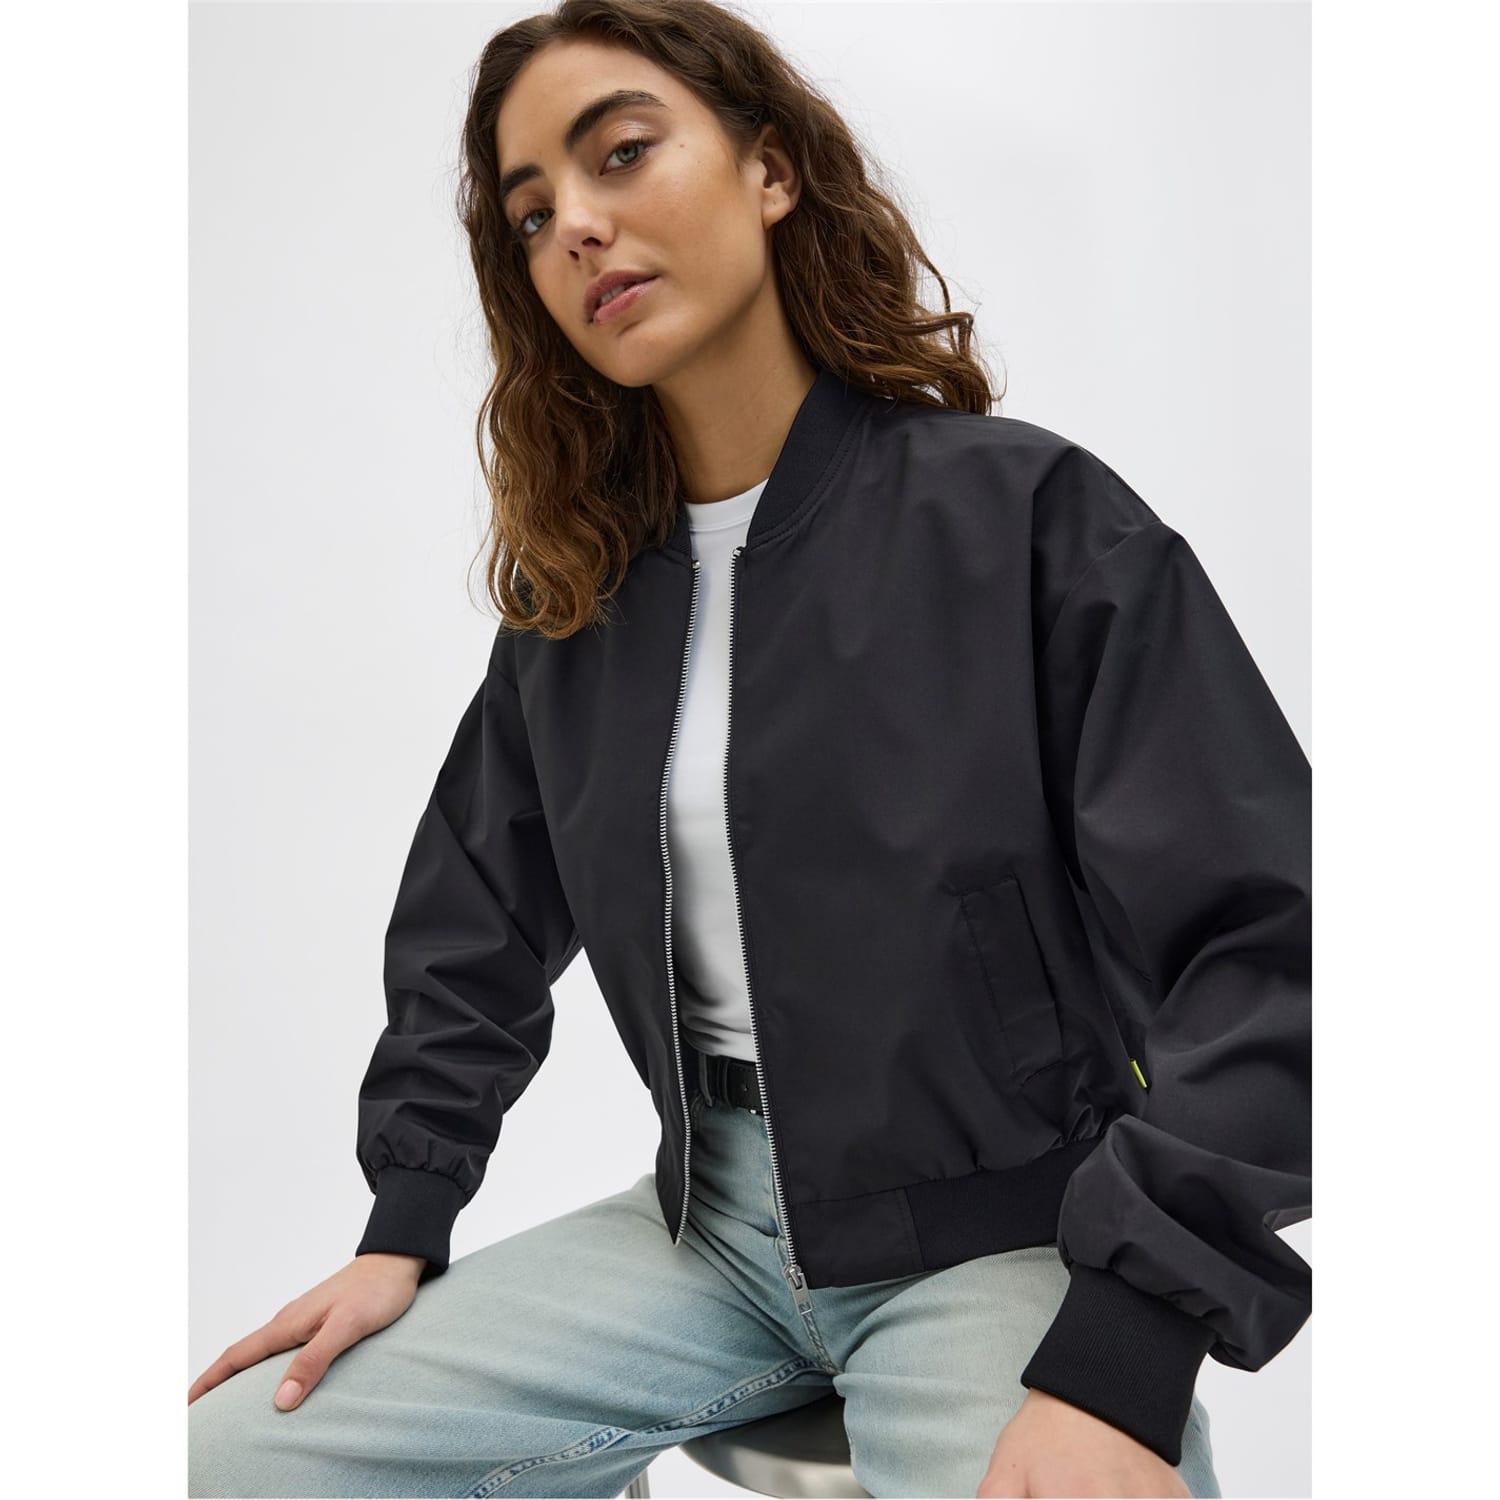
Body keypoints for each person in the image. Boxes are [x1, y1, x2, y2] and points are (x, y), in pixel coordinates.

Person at [188, 2, 1310, 1496]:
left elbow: (1270, 943)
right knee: (231, 1463)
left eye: (620, 153)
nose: (577, 228)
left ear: (770, 171)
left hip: (997, 1233)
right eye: (531, 214)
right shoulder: (581, 602)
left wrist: (1128, 1348)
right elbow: (471, 925)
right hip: (704, 1234)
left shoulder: (1024, 522)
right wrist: (405, 1223)